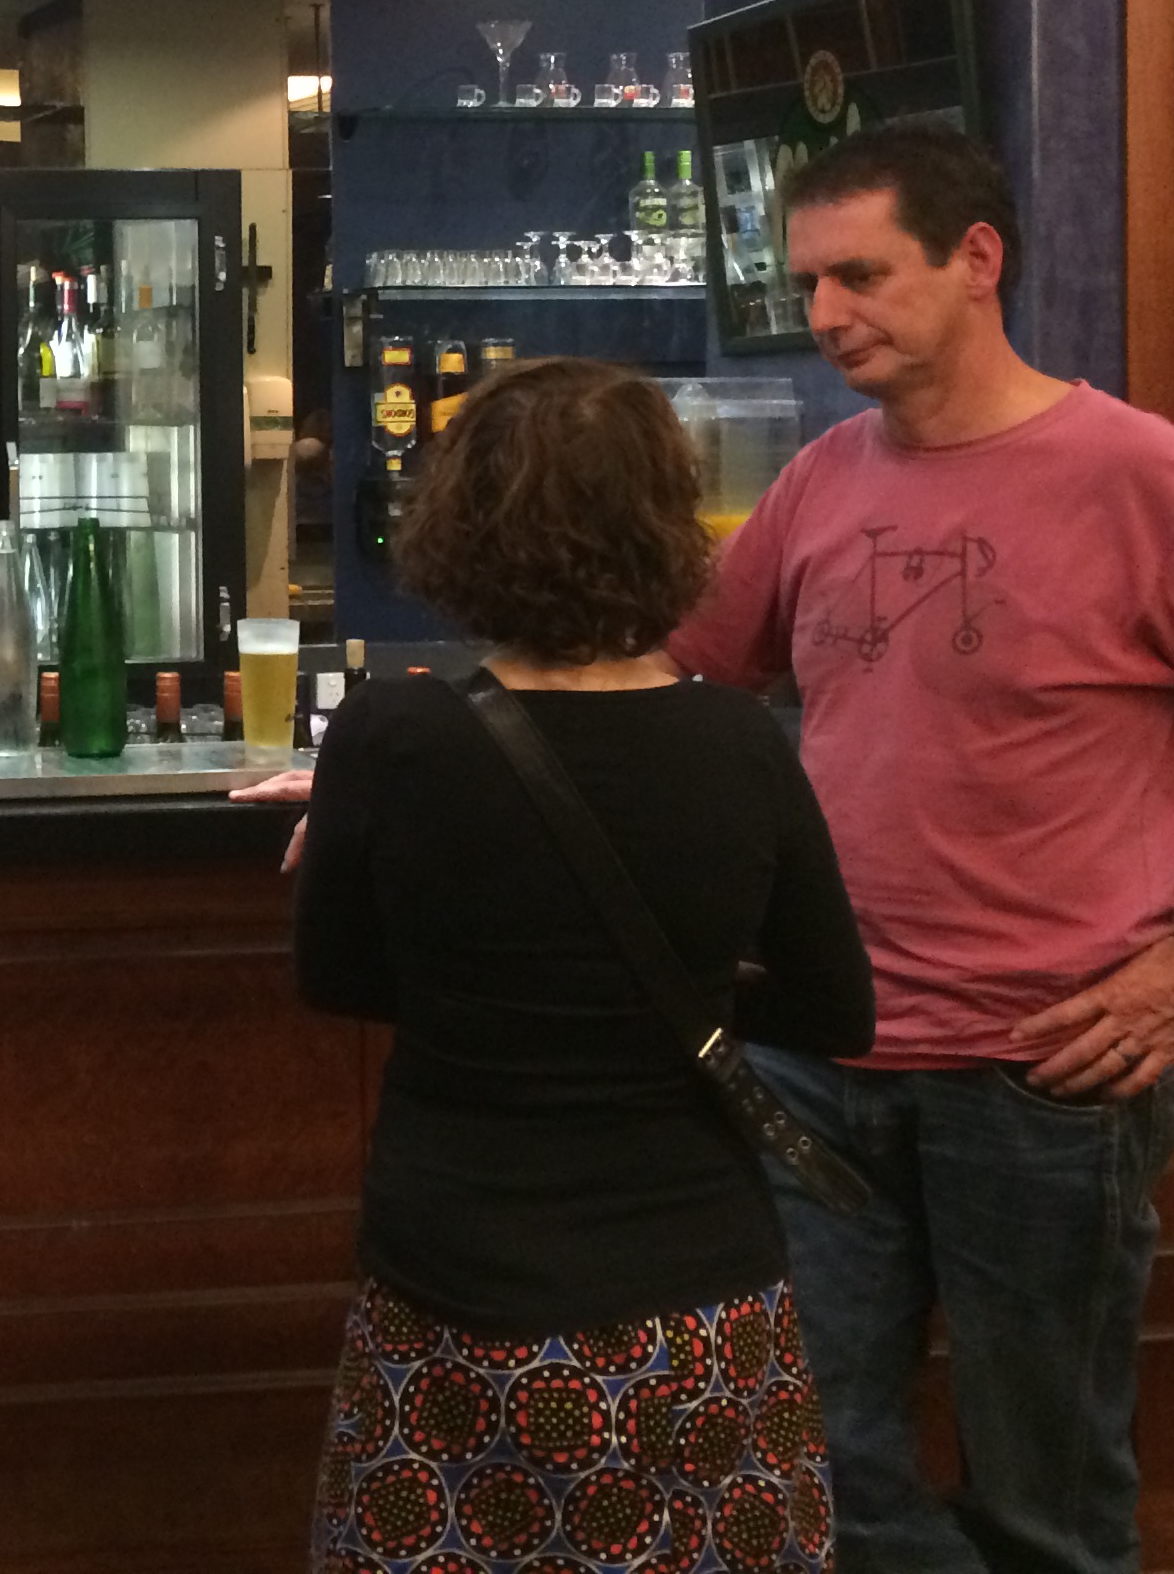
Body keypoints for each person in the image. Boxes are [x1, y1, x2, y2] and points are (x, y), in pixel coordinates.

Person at [667, 123, 1174, 1574]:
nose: (824, 316)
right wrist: (407, 754)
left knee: (1049, 1507)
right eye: (808, 283)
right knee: (812, 1478)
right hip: (820, 1059)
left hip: (1044, 1079)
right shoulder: (822, 479)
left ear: (977, 260)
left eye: (860, 276)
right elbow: (667, 680)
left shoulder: (1138, 476)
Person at [296, 356, 874, 1574]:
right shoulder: (739, 742)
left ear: (460, 522)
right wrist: (695, 988)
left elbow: (337, 978)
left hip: (455, 1277)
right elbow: (837, 1009)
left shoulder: (391, 735)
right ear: (670, 523)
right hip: (694, 1292)